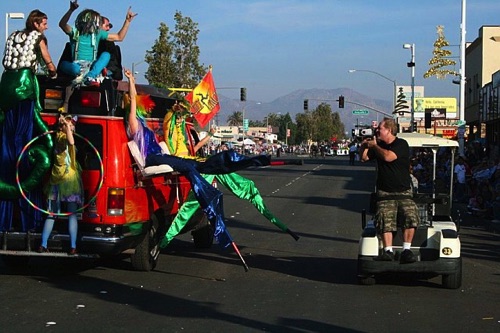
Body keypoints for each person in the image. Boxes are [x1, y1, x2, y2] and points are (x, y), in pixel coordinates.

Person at [123, 68, 270, 251]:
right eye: (135, 105)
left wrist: (132, 81)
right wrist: (130, 82)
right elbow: (133, 103)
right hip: (153, 158)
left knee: (195, 164)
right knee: (187, 165)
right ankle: (205, 191)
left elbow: (136, 102)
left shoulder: (142, 123)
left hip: (161, 156)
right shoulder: (134, 125)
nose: (139, 108)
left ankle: (240, 162)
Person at [159, 103, 297, 247]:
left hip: (197, 163)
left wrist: (211, 134)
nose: (181, 121)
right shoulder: (170, 131)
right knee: (195, 205)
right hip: (191, 165)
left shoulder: (183, 141)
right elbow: (169, 123)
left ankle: (257, 166)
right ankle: (164, 242)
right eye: (179, 119)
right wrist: (175, 111)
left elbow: (196, 147)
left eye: (182, 118)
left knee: (230, 171)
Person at [0, 9, 57, 231]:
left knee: (8, 136)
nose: (46, 26)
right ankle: (25, 202)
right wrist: (52, 72)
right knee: (24, 136)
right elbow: (47, 60)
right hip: (24, 86)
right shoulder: (38, 38)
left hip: (6, 86)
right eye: (44, 22)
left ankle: (6, 210)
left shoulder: (14, 35)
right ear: (36, 23)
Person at [359, 117, 419, 264]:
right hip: (384, 192)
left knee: (410, 216)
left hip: (403, 190)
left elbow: (388, 157)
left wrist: (375, 146)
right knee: (385, 219)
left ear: (389, 130)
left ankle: (406, 250)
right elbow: (364, 158)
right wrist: (365, 145)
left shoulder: (401, 144)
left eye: (380, 128)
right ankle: (388, 251)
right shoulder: (377, 145)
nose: (377, 131)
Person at [58, 0, 136, 86]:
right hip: (77, 65)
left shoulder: (98, 34)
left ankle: (90, 76)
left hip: (90, 65)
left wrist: (127, 21)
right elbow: (62, 24)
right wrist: (71, 10)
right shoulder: (75, 32)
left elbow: (119, 37)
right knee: (64, 65)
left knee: (106, 55)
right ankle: (87, 75)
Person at [39, 114, 83, 255]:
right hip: (66, 181)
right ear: (62, 128)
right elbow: (70, 142)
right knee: (64, 214)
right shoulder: (61, 138)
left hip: (59, 180)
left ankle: (45, 244)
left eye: (72, 125)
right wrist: (66, 128)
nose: (71, 127)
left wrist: (66, 125)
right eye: (68, 125)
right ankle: (70, 246)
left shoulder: (61, 136)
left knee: (61, 214)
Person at [97, 16, 122, 80]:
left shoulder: (109, 42)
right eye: (107, 26)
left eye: (109, 26)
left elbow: (119, 37)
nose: (108, 29)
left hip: (108, 71)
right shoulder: (88, 39)